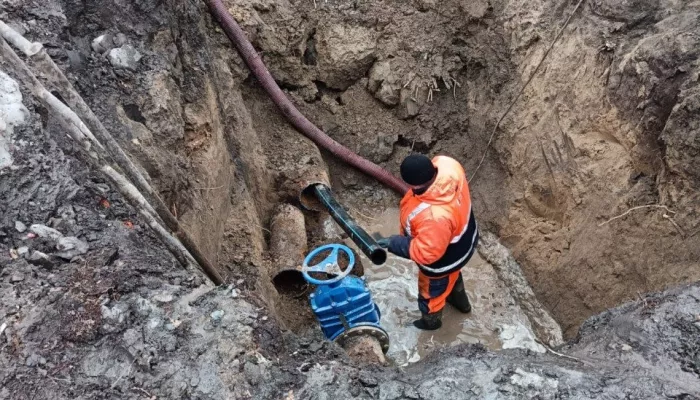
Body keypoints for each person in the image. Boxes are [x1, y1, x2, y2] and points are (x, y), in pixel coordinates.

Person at [377, 154, 479, 330]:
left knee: (431, 294)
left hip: (443, 261)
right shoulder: (448, 165)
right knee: (453, 276)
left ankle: (431, 323)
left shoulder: (434, 218)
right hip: (463, 238)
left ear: (412, 185)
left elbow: (427, 253)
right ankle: (462, 305)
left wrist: (394, 242)